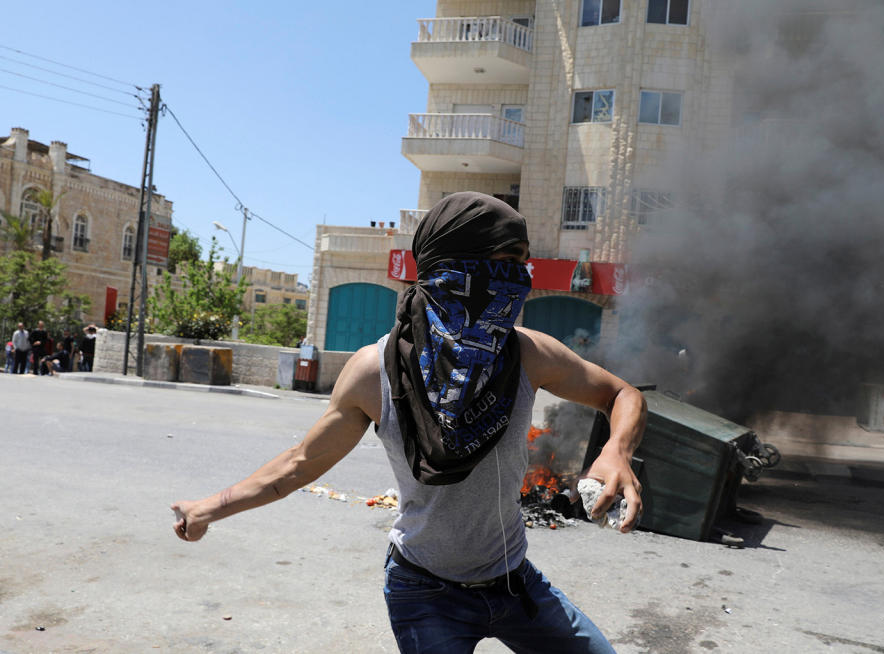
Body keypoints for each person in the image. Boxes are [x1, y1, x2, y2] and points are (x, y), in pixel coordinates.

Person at [171, 193, 648, 653]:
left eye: (521, 263)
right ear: (448, 265)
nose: (515, 277)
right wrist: (207, 508)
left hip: (512, 581)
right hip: (425, 595)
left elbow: (621, 393)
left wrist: (616, 450)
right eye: (503, 261)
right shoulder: (374, 370)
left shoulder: (525, 353)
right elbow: (299, 465)